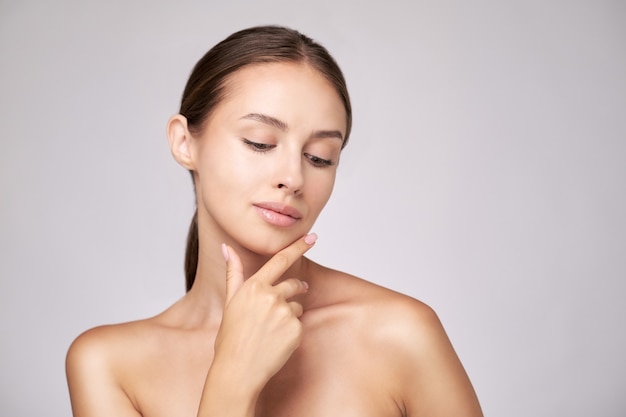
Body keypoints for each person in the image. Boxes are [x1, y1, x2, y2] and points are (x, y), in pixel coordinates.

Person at [65, 25, 483, 417]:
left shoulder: (399, 333)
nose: (294, 178)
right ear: (184, 142)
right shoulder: (108, 364)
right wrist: (231, 381)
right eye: (260, 143)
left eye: (319, 157)